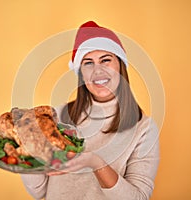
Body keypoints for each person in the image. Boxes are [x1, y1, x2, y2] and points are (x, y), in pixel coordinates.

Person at [21, 21, 160, 200]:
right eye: (88, 63)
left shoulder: (144, 129)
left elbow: (138, 197)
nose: (97, 71)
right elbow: (38, 191)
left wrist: (95, 163)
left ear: (120, 66)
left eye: (106, 60)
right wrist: (27, 147)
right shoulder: (55, 116)